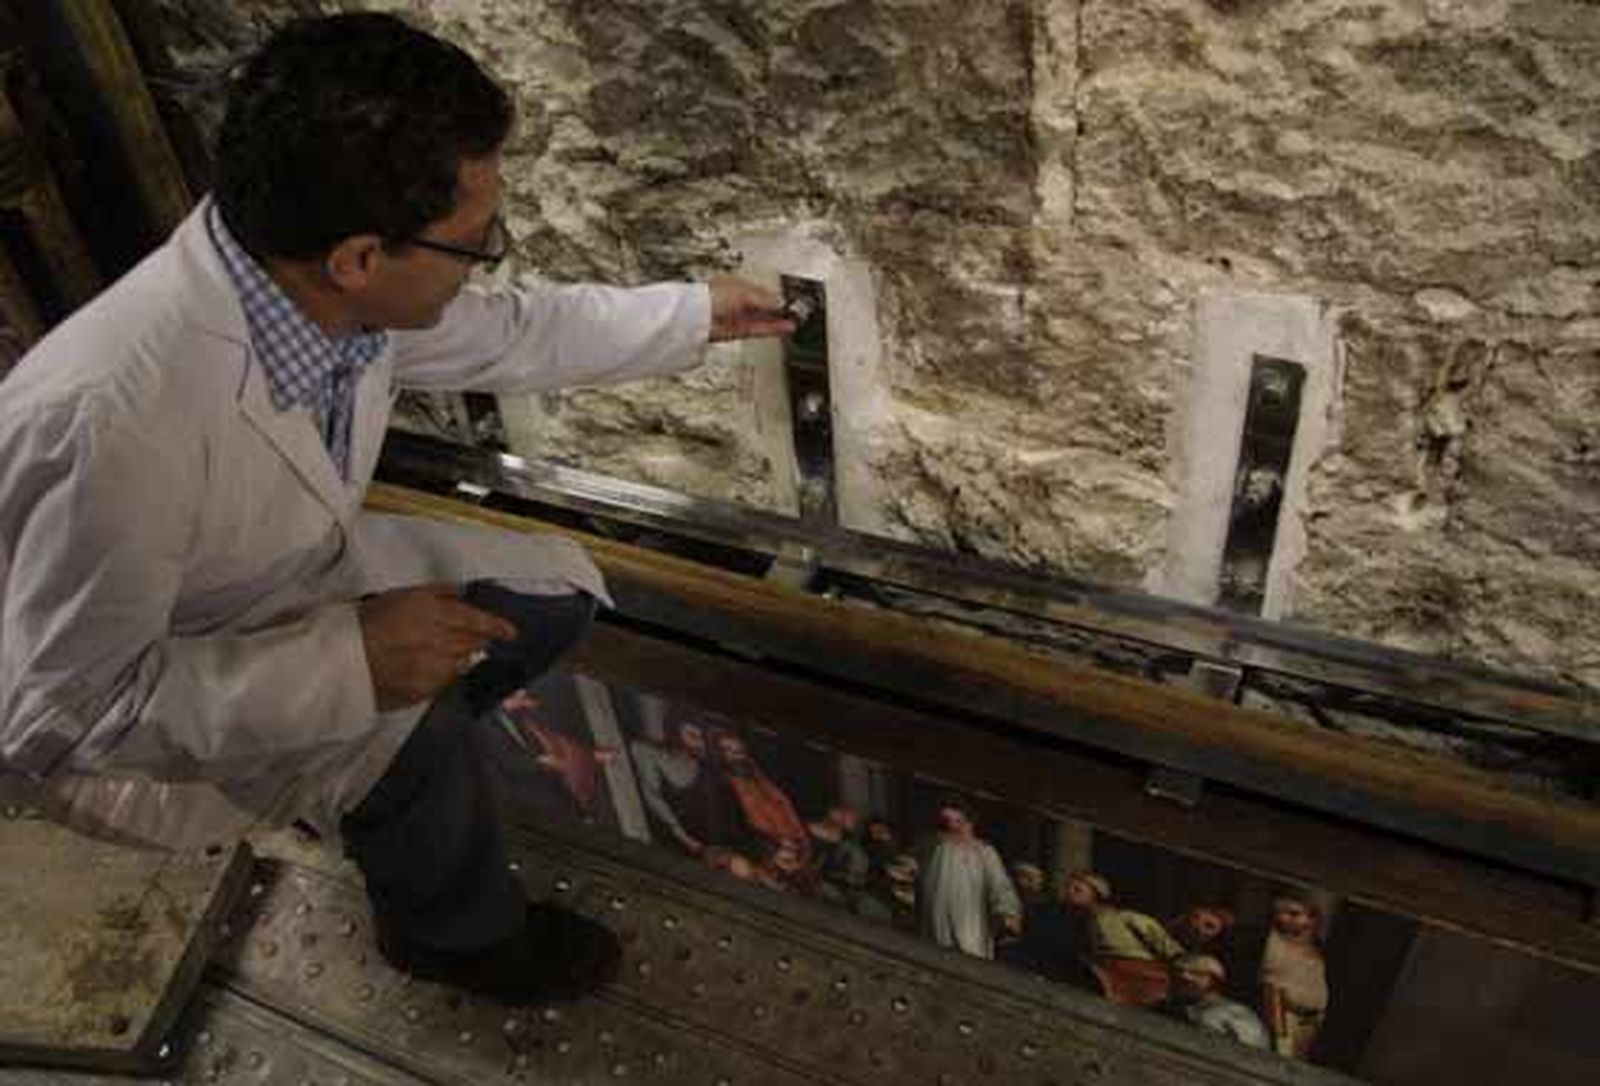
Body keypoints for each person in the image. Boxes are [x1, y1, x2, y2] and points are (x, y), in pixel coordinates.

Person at [0, 13, 790, 1007]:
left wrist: (692, 313)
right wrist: (348, 666)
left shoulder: (301, 280)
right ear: (360, 258)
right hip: (164, 707)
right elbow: (60, 718)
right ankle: (450, 933)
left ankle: (390, 791)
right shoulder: (104, 425)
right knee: (415, 740)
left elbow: (512, 332)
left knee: (551, 602)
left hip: (278, 583)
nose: (485, 260)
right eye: (473, 245)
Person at [917, 800, 1021, 960]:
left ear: (969, 823)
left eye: (958, 822)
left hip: (970, 928)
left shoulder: (984, 852)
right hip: (938, 926)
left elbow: (1000, 885)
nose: (952, 827)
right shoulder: (937, 848)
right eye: (947, 822)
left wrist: (1007, 912)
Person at [1065, 870, 1185, 1007]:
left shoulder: (1127, 917)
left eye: (1078, 890)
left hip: (1142, 974)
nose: (1069, 892)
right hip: (1106, 973)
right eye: (1068, 888)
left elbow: (1170, 949)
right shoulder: (1078, 923)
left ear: (1095, 894)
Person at [1160, 954, 1271, 1051]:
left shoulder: (1234, 1013)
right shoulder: (1173, 1009)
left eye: (1196, 974)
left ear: (1214, 981)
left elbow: (1252, 1051)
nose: (1186, 978)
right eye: (1177, 978)